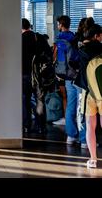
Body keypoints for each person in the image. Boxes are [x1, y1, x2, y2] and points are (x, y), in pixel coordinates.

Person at [53, 15, 80, 145]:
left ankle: (71, 135)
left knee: (70, 105)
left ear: (61, 25)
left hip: (66, 75)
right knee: (82, 108)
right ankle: (84, 138)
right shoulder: (74, 38)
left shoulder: (59, 39)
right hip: (77, 75)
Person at [81, 24, 102, 168]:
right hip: (101, 91)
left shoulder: (81, 50)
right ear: (96, 36)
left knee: (90, 126)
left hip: (87, 92)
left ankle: (93, 159)